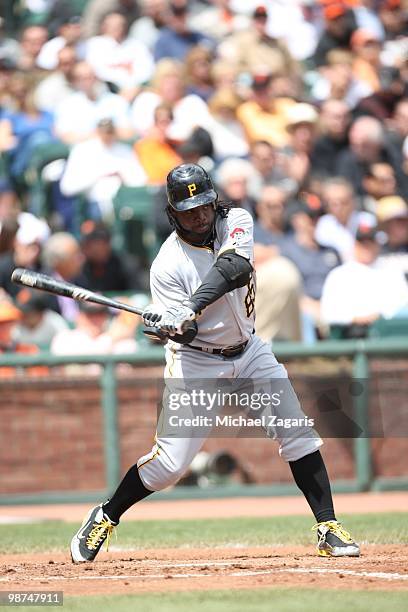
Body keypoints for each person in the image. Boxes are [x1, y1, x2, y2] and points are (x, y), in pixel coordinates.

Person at [70, 162, 360, 563]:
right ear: (173, 213)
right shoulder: (167, 264)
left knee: (296, 433)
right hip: (197, 362)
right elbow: (186, 334)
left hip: (250, 349)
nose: (200, 215)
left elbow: (235, 268)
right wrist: (168, 325)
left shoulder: (235, 219)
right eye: (189, 210)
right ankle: (106, 515)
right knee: (169, 465)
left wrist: (190, 305)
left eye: (204, 205)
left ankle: (327, 526)